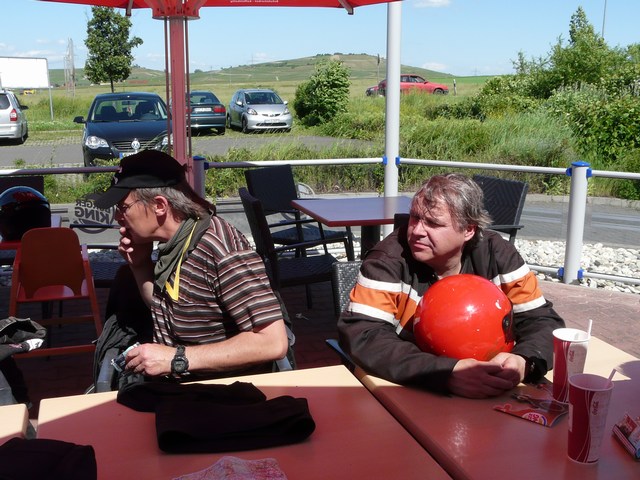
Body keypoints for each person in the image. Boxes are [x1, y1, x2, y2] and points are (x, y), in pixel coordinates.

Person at [337, 173, 565, 399]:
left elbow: (542, 321)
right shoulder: (386, 261)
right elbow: (363, 336)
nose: (416, 230)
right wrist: (445, 373)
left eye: (433, 223)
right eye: (414, 217)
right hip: (414, 394)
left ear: (468, 230)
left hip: (495, 392)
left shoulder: (498, 255)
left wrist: (523, 361)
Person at [94, 150, 290, 381]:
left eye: (123, 207)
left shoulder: (221, 250)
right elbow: (166, 311)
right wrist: (140, 265)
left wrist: (176, 359)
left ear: (159, 205)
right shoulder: (175, 243)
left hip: (225, 392)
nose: (117, 217)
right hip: (181, 387)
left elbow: (273, 342)